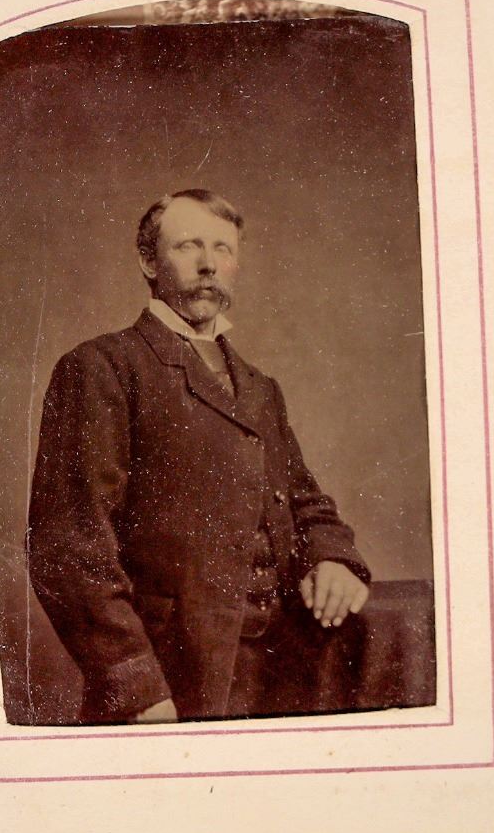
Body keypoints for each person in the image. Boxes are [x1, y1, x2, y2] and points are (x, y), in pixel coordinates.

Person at [26, 189, 370, 724]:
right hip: (173, 681)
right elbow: (67, 547)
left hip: (282, 672)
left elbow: (305, 502)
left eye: (222, 249)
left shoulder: (259, 388)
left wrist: (333, 559)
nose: (209, 264)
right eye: (188, 246)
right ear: (148, 261)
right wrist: (134, 686)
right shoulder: (102, 367)